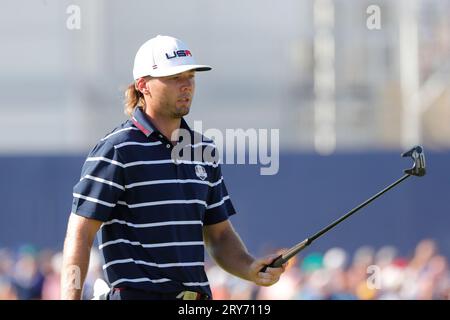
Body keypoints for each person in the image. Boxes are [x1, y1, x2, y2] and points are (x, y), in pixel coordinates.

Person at [60, 35, 286, 300]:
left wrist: (249, 268)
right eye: (175, 78)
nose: (186, 86)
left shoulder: (203, 151)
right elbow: (80, 233)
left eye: (190, 76)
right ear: (143, 85)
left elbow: (220, 235)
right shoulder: (116, 149)